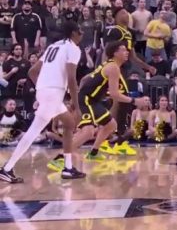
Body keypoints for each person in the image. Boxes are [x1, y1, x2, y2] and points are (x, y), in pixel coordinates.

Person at [1, 22, 85, 183]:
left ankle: (68, 167)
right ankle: (6, 168)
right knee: (34, 131)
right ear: (74, 32)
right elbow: (72, 79)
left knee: (68, 124)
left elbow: (32, 71)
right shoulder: (73, 48)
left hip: (45, 92)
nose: (82, 34)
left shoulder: (54, 46)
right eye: (80, 31)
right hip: (54, 93)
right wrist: (76, 105)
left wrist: (42, 89)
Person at [47, 41, 147, 172]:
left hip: (92, 100)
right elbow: (114, 94)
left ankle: (93, 153)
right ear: (115, 53)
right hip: (86, 99)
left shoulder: (108, 65)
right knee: (87, 131)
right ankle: (60, 159)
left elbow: (85, 79)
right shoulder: (113, 68)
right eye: (123, 50)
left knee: (111, 125)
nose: (127, 52)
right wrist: (135, 101)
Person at [101, 9, 155, 156]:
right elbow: (106, 51)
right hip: (113, 68)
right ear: (117, 15)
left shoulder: (129, 33)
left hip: (125, 70)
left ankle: (119, 138)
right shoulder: (114, 30)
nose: (126, 14)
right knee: (116, 100)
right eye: (123, 12)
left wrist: (147, 66)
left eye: (127, 12)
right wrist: (103, 69)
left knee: (122, 102)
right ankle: (107, 136)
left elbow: (132, 56)